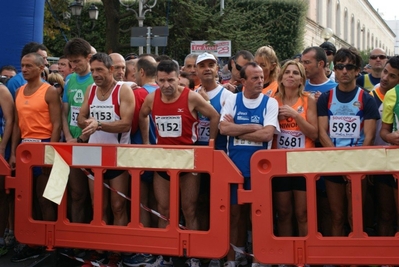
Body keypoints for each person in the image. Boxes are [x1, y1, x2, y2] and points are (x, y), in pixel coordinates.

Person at [138, 60, 220, 267]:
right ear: (156, 79)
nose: (166, 85)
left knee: (189, 209)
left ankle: (193, 254)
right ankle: (164, 253)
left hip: (188, 162)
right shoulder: (151, 97)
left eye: (171, 80)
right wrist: (148, 143)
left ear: (178, 78)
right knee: (163, 209)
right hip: (163, 162)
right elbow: (142, 115)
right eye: (162, 80)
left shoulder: (190, 97)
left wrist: (210, 144)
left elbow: (214, 116)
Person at [77, 53, 135, 266]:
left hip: (117, 156)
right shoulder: (91, 90)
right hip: (94, 156)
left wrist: (98, 124)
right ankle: (99, 248)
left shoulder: (123, 90)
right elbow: (81, 118)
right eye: (93, 70)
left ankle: (117, 251)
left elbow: (126, 124)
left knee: (118, 206)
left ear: (111, 70)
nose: (95, 74)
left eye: (100, 70)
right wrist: (89, 124)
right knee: (97, 205)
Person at [219, 62, 279, 267]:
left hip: (260, 171)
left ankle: (258, 258)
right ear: (243, 81)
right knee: (235, 215)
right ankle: (232, 258)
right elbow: (223, 129)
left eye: (262, 77)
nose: (260, 81)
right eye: (254, 78)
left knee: (258, 216)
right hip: (234, 168)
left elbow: (267, 133)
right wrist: (253, 126)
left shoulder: (270, 103)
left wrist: (236, 127)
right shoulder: (232, 99)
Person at [317, 47, 380, 236]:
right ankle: (338, 260)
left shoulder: (366, 99)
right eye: (340, 67)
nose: (345, 71)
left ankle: (356, 259)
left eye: (349, 67)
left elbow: (368, 137)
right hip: (334, 163)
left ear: (357, 70)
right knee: (337, 216)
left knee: (355, 216)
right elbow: (322, 133)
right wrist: (339, 162)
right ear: (334, 70)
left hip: (356, 165)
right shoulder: (326, 98)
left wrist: (352, 164)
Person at [10, 52, 61, 262]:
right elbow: (16, 125)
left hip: (44, 145)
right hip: (25, 149)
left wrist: (51, 152)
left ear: (41, 68)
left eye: (29, 66)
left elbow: (57, 124)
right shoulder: (20, 91)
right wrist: (13, 152)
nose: (24, 69)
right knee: (26, 200)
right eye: (22, 65)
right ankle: (32, 242)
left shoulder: (49, 91)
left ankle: (50, 245)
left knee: (46, 198)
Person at [272, 60, 318, 237]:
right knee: (283, 213)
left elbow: (314, 134)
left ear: (301, 80)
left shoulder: (308, 100)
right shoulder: (272, 101)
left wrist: (295, 116)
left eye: (296, 73)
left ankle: (306, 256)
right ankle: (286, 258)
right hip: (280, 163)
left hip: (302, 162)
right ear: (281, 78)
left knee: (303, 213)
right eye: (287, 72)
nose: (291, 75)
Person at [62, 38, 94, 230]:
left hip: (92, 144)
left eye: (77, 61)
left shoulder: (96, 78)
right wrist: (67, 136)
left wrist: (83, 137)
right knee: (76, 194)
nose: (73, 66)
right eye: (70, 62)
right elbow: (65, 110)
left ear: (88, 57)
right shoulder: (69, 80)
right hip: (71, 142)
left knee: (95, 196)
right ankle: (74, 237)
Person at [377, 56, 399, 236]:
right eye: (385, 72)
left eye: (392, 76)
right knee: (387, 213)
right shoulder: (392, 94)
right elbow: (383, 132)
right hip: (392, 161)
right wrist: (391, 137)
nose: (385, 78)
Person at [0, 79, 14, 258]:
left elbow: (10, 120)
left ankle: (1, 238)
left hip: (2, 148)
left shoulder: (2, 91)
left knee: (1, 194)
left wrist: (3, 148)